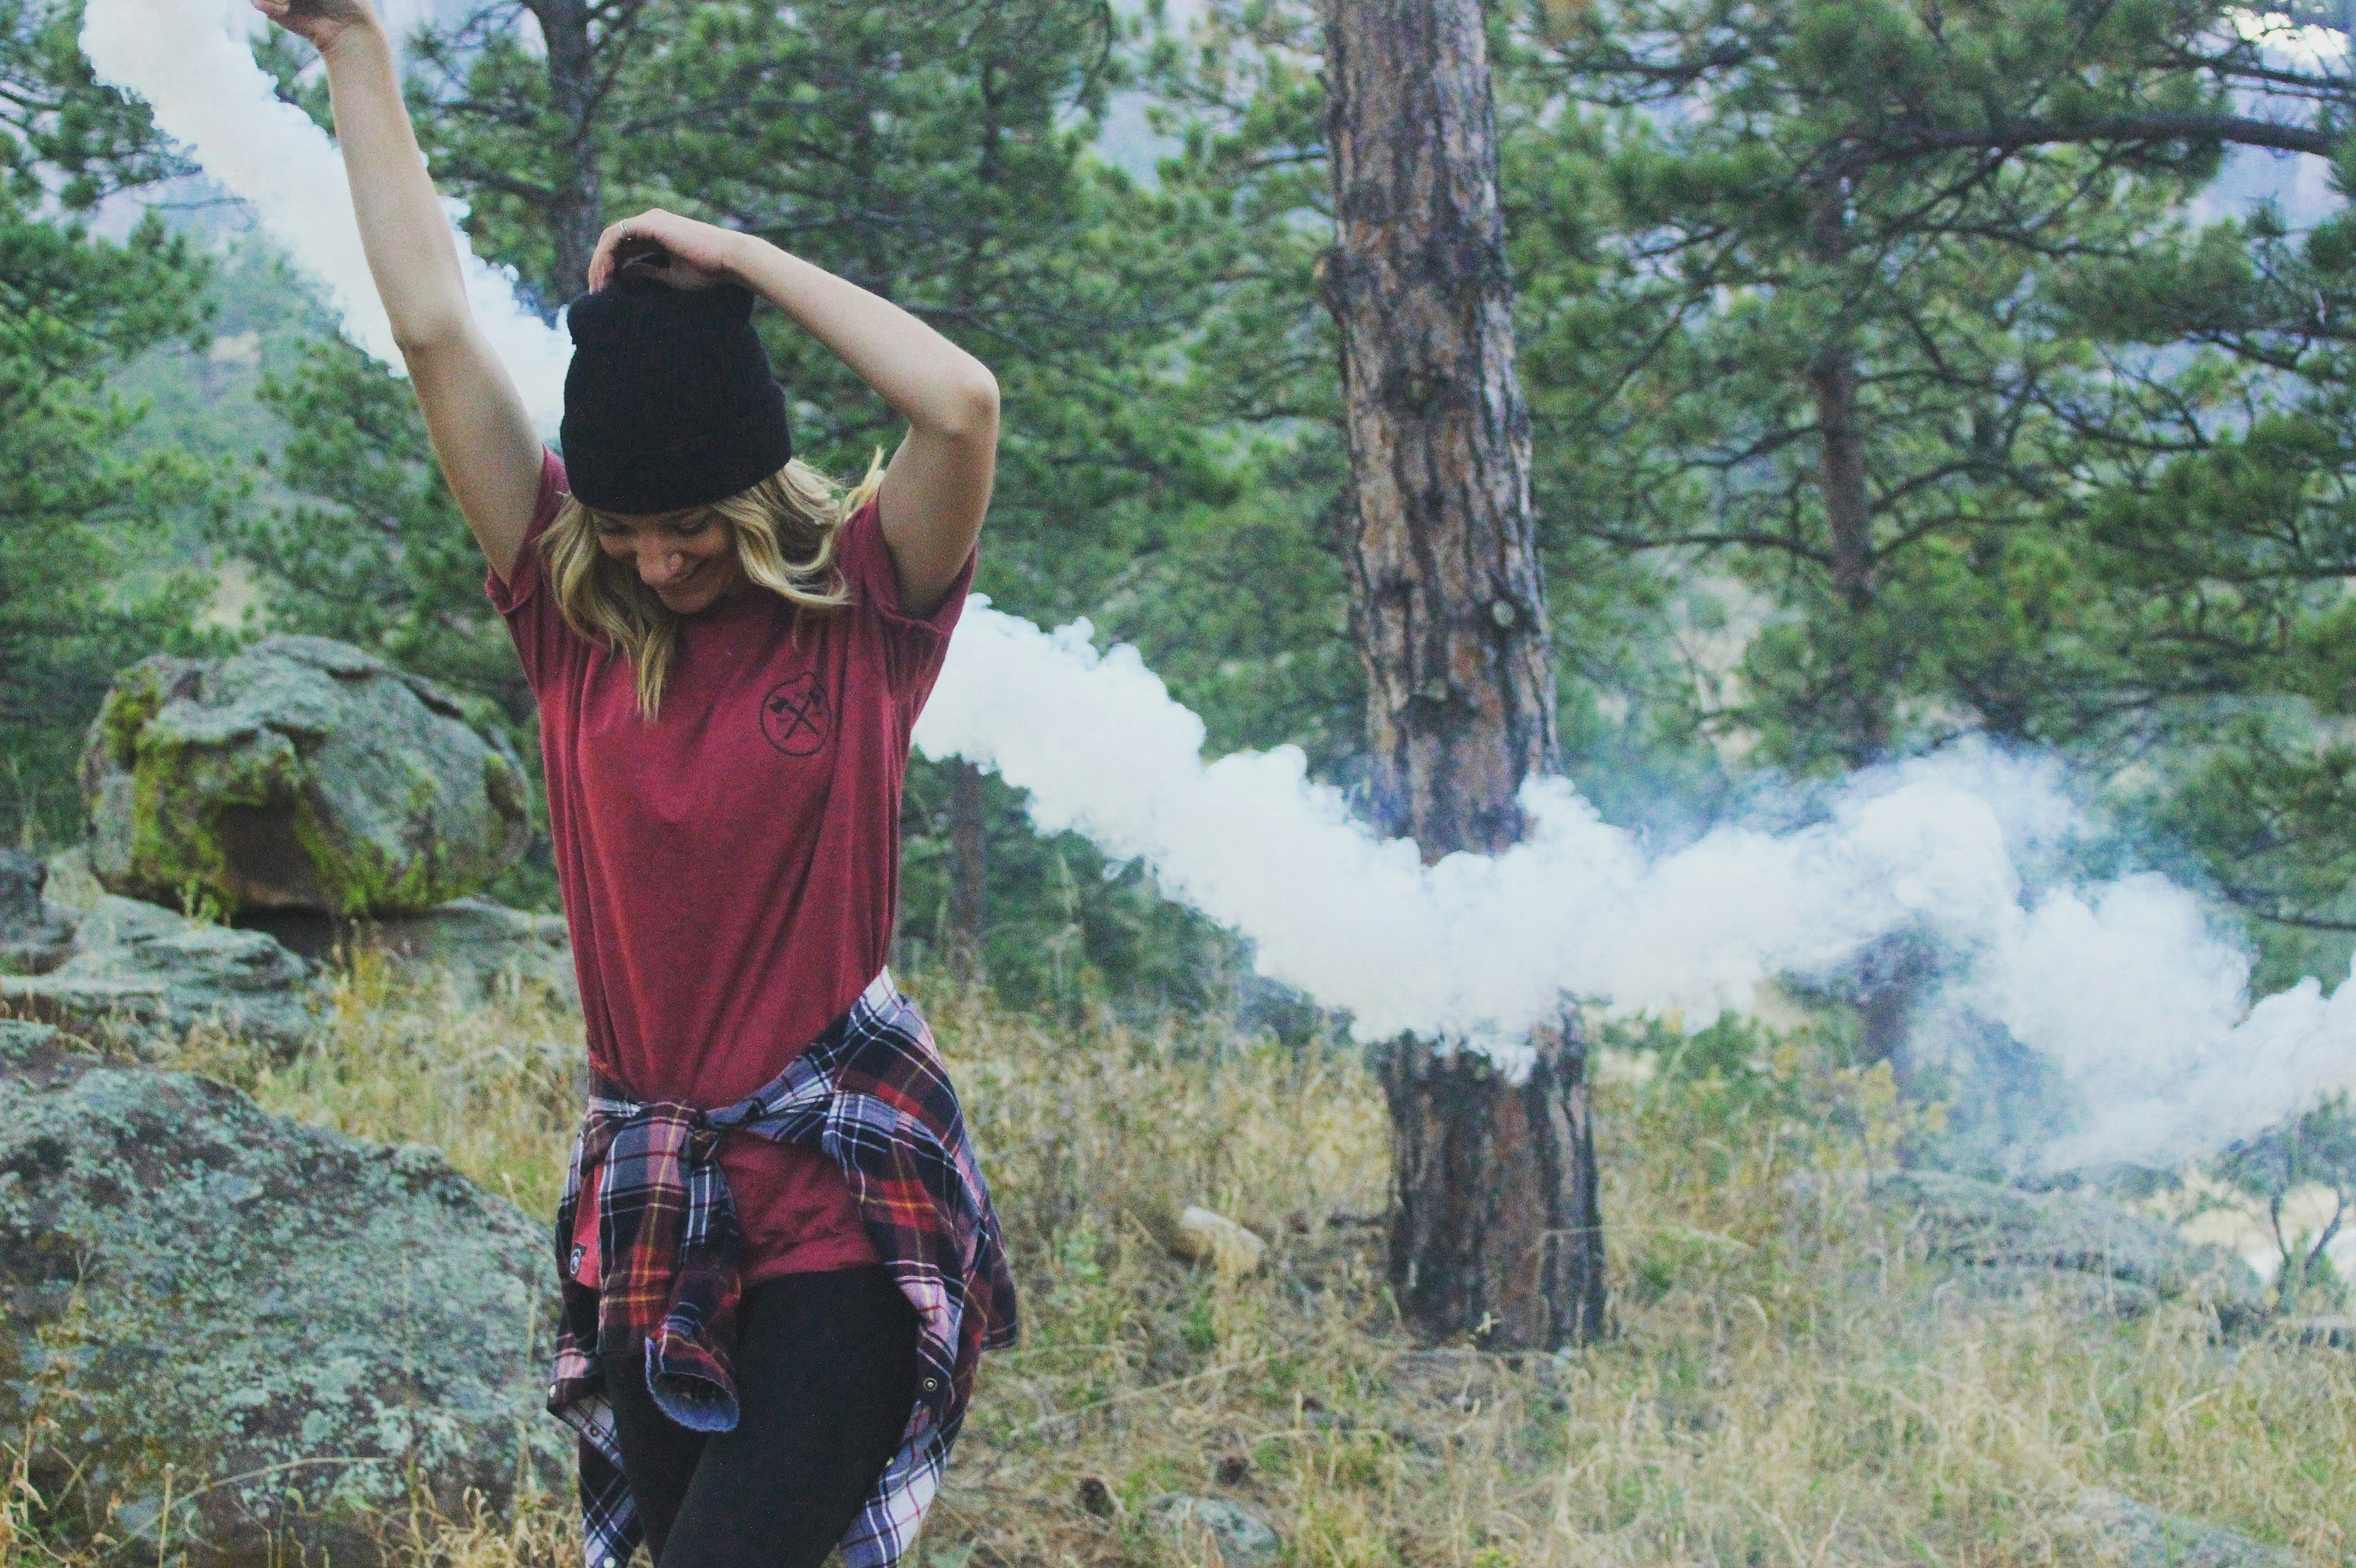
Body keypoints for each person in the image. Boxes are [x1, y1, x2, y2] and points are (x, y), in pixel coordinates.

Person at [246, 3, 1020, 1567]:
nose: (659, 560)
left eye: (694, 526)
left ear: (756, 494)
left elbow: (961, 406)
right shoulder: (565, 606)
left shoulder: (866, 606)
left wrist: (736, 256)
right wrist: (355, 54)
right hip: (651, 1210)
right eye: (629, 524)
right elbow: (436, 331)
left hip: (833, 1218)